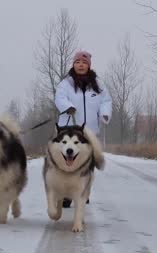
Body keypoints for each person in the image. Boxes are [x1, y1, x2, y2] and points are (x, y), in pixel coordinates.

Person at [54, 50, 112, 208]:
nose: (80, 65)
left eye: (84, 63)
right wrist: (68, 106)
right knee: (67, 162)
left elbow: (106, 101)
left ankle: (84, 190)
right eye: (78, 62)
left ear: (89, 65)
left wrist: (105, 114)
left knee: (87, 163)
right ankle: (66, 194)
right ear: (73, 64)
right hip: (69, 129)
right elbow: (59, 97)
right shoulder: (66, 83)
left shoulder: (98, 84)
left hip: (90, 131)